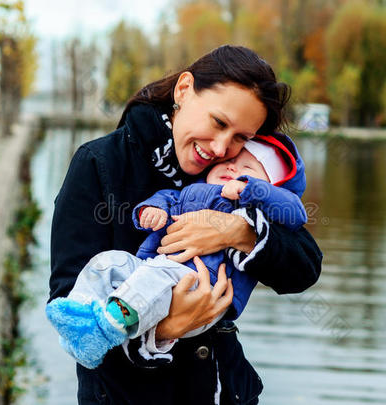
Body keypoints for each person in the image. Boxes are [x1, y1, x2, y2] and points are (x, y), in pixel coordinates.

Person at [49, 45, 323, 405]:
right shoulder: (101, 164)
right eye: (219, 123)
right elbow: (69, 303)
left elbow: (304, 267)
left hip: (219, 389)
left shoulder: (240, 180)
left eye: (241, 137)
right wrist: (165, 327)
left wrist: (238, 232)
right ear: (183, 91)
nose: (223, 147)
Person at [47, 136, 308, 369]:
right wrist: (153, 210)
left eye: (248, 169)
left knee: (154, 277)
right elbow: (168, 197)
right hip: (152, 268)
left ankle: (110, 323)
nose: (233, 168)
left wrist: (248, 192)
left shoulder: (253, 212)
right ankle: (79, 316)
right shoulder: (191, 189)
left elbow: (296, 212)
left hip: (201, 289)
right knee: (108, 262)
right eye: (231, 160)